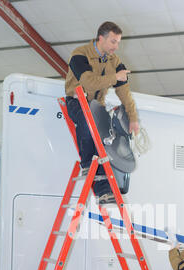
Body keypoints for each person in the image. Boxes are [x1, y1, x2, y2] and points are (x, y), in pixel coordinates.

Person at [65, 21, 139, 204]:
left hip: (97, 107)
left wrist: (133, 119)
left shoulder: (115, 62)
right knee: (88, 120)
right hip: (77, 102)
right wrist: (115, 77)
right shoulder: (80, 54)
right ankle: (86, 163)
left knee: (104, 145)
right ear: (101, 38)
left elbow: (125, 93)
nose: (116, 46)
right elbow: (88, 82)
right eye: (113, 41)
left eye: (118, 42)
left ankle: (104, 193)